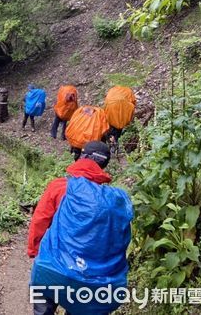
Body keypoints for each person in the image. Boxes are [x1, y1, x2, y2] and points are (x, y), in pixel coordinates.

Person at [27, 141, 133, 315]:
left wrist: (34, 250)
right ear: (103, 166)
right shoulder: (111, 202)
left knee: (42, 308)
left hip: (51, 267)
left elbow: (40, 221)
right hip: (90, 280)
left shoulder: (60, 186)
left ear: (82, 157)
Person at [103, 86, 136, 152]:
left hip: (111, 111)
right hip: (123, 114)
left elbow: (106, 102)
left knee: (111, 129)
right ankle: (115, 143)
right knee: (118, 129)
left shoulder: (112, 91)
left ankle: (111, 143)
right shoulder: (129, 93)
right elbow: (133, 103)